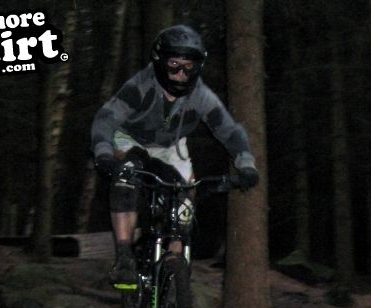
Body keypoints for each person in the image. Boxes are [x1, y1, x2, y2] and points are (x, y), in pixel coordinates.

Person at [91, 24, 259, 287]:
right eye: (173, 65)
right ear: (160, 62)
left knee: (186, 194)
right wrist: (103, 152)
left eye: (187, 67)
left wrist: (246, 163)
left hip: (171, 146)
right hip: (130, 138)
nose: (180, 74)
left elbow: (228, 129)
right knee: (126, 178)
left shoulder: (201, 96)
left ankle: (173, 268)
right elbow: (106, 118)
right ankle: (124, 257)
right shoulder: (140, 86)